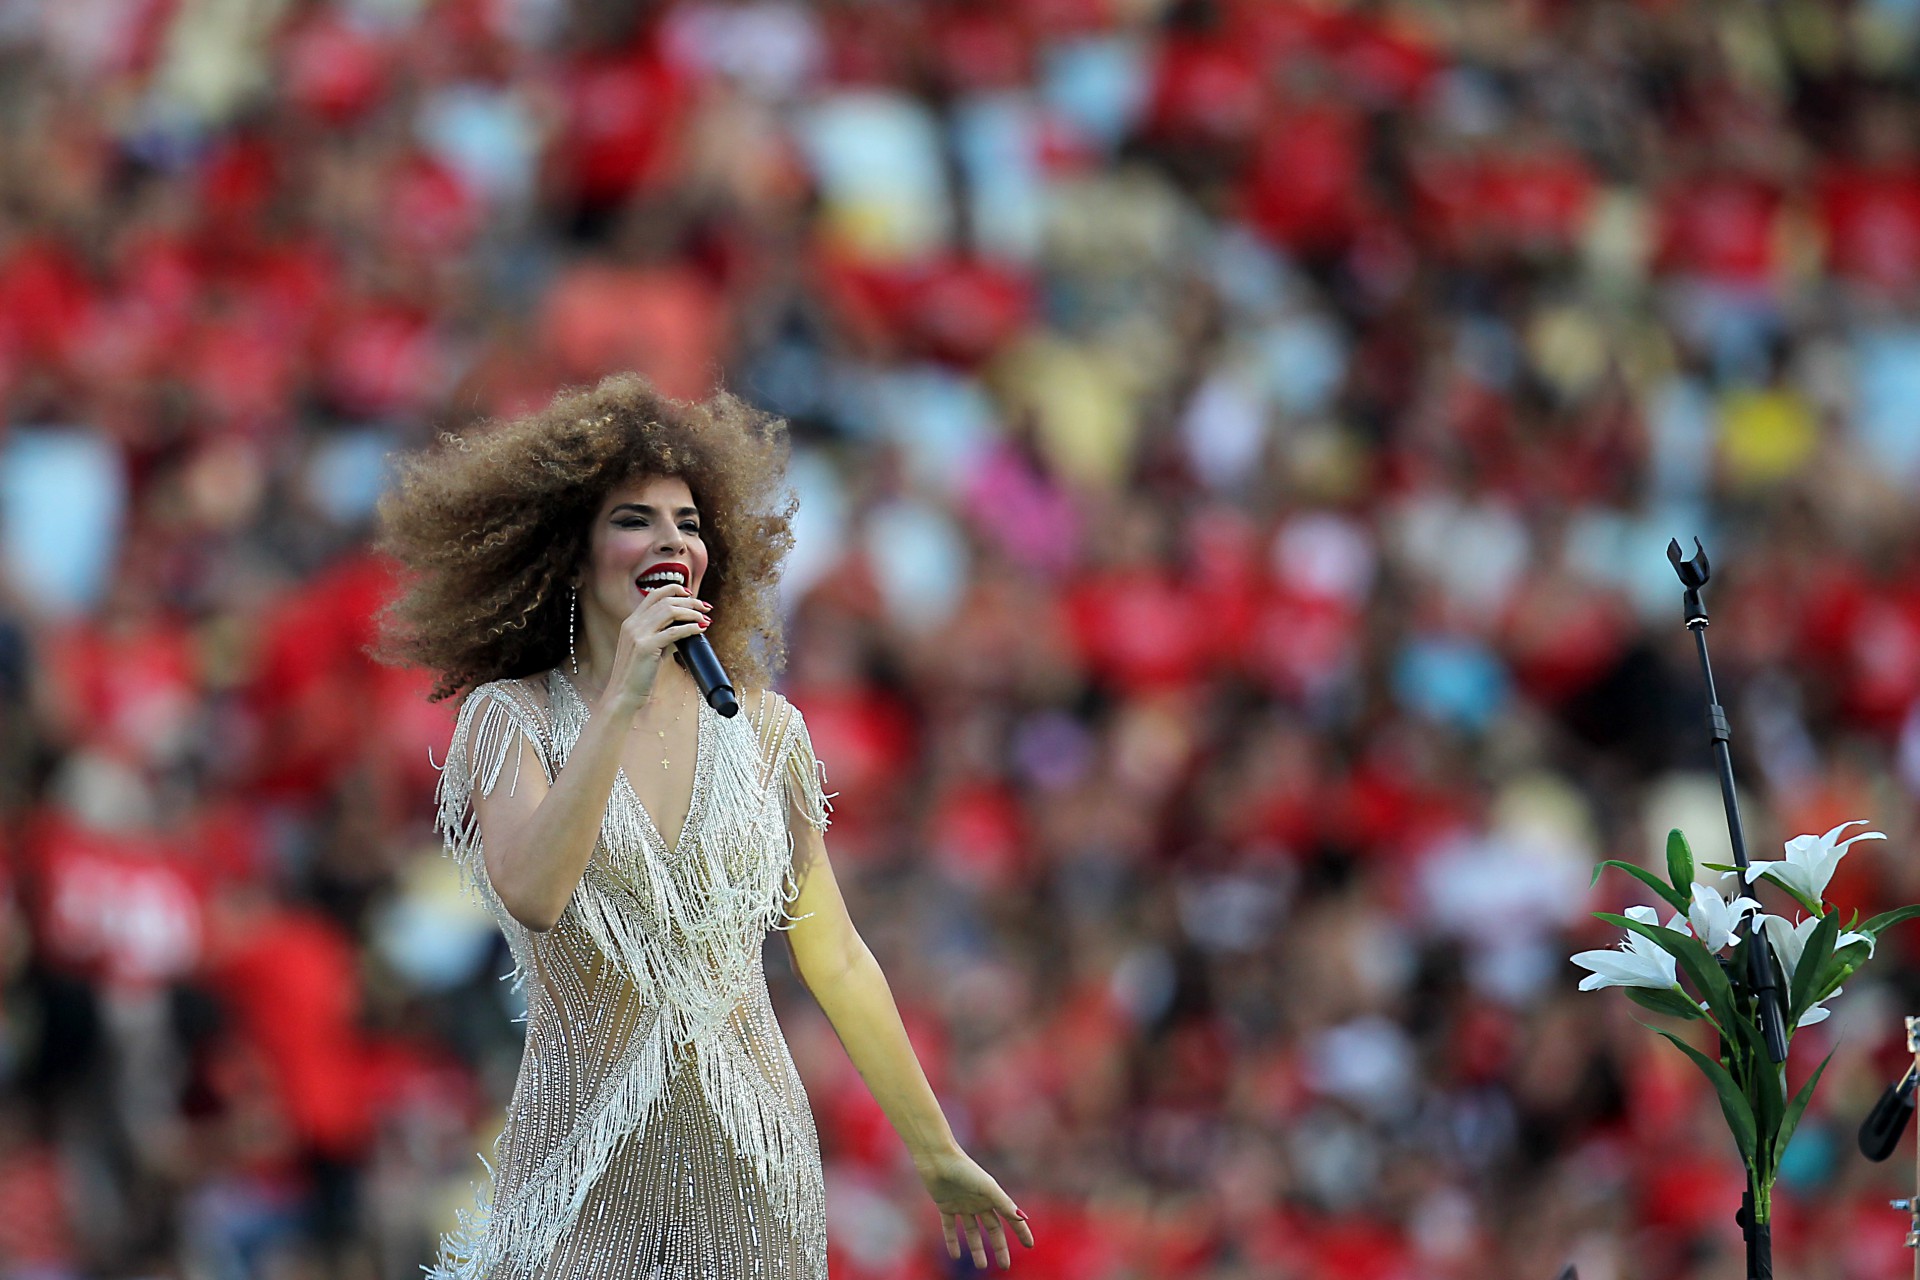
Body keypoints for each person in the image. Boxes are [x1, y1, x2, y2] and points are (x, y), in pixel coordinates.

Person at [372, 373, 1034, 1277]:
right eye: (634, 519)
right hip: (581, 1169)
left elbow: (833, 956)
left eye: (688, 523)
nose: (671, 540)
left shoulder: (766, 733)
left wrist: (934, 1149)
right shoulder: (510, 719)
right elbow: (532, 892)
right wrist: (622, 694)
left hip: (754, 1168)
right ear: (571, 553)